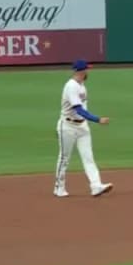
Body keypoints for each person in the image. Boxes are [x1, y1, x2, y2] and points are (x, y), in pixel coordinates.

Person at [54, 59, 113, 198]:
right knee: (64, 158)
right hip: (67, 126)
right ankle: (59, 188)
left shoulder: (82, 86)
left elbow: (83, 110)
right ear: (80, 71)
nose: (88, 71)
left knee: (88, 158)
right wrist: (97, 119)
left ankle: (96, 186)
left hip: (82, 126)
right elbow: (78, 109)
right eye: (87, 69)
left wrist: (88, 121)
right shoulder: (71, 86)